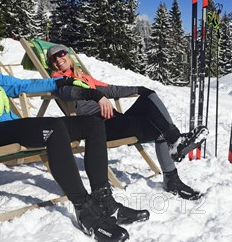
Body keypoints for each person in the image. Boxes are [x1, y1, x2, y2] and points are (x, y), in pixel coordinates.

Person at [0, 21, 149, 242]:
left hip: (10, 127)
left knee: (93, 123)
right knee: (53, 129)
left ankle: (104, 201)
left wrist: (60, 84)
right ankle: (84, 210)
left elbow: (18, 85)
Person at [46, 44, 207, 201]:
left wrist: (138, 89)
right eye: (53, 58)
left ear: (68, 55)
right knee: (159, 126)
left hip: (116, 120)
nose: (58, 59)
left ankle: (174, 151)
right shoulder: (59, 80)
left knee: (149, 97)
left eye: (61, 54)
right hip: (99, 127)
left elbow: (111, 89)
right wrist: (97, 96)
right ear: (51, 64)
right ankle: (175, 151)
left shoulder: (84, 78)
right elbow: (67, 93)